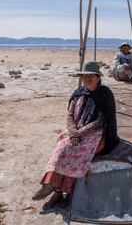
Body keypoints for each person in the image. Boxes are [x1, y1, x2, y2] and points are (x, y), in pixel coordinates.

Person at [32, 61, 119, 209]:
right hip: (76, 131)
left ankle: (57, 189)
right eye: (85, 76)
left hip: (96, 134)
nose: (88, 79)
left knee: (73, 149)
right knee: (63, 146)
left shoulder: (105, 94)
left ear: (98, 77)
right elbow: (70, 115)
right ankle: (55, 190)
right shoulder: (78, 93)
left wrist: (79, 133)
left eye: (91, 76)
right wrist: (72, 132)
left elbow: (101, 120)